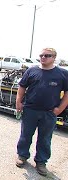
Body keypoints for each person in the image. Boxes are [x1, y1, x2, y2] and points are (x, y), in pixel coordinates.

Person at [15, 48, 68, 176]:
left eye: (47, 55)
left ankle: (41, 162)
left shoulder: (62, 73)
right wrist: (18, 102)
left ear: (54, 57)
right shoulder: (32, 71)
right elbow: (22, 87)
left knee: (45, 139)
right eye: (41, 55)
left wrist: (60, 109)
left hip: (49, 113)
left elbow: (67, 93)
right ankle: (22, 156)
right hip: (30, 110)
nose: (43, 57)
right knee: (25, 135)